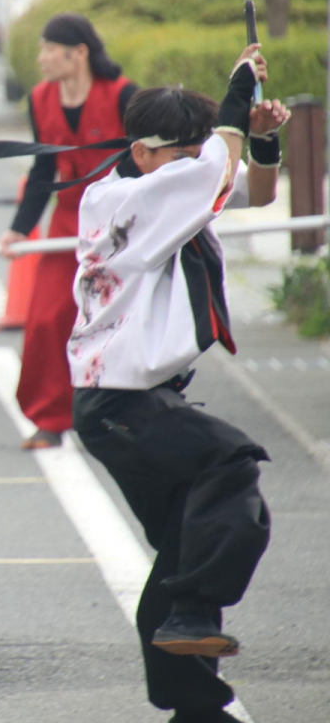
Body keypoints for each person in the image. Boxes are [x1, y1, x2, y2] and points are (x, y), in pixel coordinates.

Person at [67, 49, 283, 723]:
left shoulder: (170, 184)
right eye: (182, 154)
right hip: (123, 403)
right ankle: (190, 613)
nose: (195, 165)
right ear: (141, 150)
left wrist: (261, 133)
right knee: (230, 462)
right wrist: (237, 94)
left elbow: (256, 188)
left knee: (191, 538)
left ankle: (193, 702)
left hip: (137, 401)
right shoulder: (124, 197)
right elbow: (214, 169)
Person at [0, 14, 136, 450]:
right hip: (67, 220)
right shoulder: (40, 99)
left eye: (48, 50)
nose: (40, 60)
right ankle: (50, 418)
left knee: (118, 319)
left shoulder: (122, 96)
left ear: (78, 55)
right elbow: (43, 170)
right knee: (46, 318)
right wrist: (20, 229)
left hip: (120, 223)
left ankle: (123, 414)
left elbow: (142, 164)